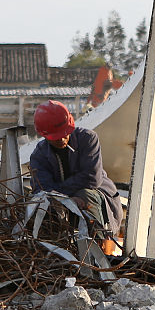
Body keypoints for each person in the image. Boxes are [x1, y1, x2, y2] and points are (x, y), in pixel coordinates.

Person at [29, 100, 123, 247]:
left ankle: (99, 247)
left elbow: (92, 178)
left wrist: (63, 194)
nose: (62, 139)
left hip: (100, 201)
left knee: (86, 196)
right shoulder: (38, 156)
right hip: (62, 206)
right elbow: (43, 192)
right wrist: (68, 200)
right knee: (43, 205)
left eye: (65, 133)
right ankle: (54, 248)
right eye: (56, 136)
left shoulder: (88, 139)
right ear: (45, 136)